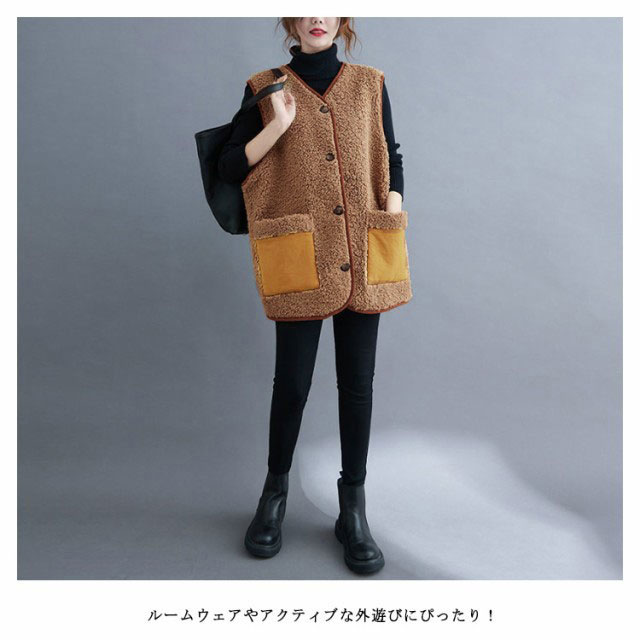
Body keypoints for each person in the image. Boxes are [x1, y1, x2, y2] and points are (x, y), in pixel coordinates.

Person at [218, 17, 413, 575]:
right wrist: (278, 125)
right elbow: (229, 166)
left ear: (342, 19)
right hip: (300, 251)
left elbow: (391, 156)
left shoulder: (370, 83)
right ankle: (273, 497)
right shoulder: (265, 87)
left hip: (365, 250)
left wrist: (391, 208)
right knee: (293, 384)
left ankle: (353, 509)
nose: (316, 17)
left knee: (358, 385)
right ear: (291, 20)